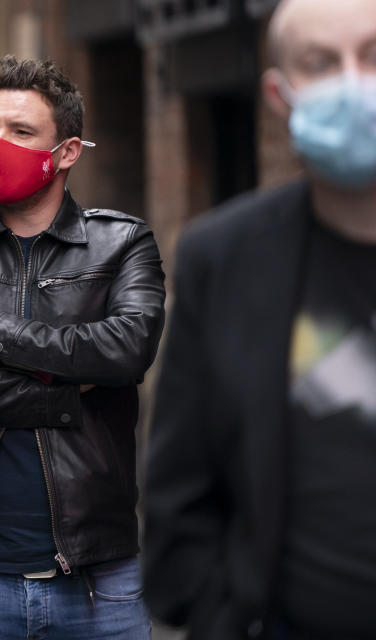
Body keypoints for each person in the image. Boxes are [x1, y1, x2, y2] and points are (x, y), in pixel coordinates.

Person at [0, 56, 166, 639]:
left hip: (98, 582)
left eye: (21, 133)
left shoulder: (122, 244)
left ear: (66, 151)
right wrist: (65, 396)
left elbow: (127, 349)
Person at [143, 1, 376, 638]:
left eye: (373, 54)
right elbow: (177, 489)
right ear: (281, 95)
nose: (355, 81)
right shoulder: (225, 257)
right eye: (321, 64)